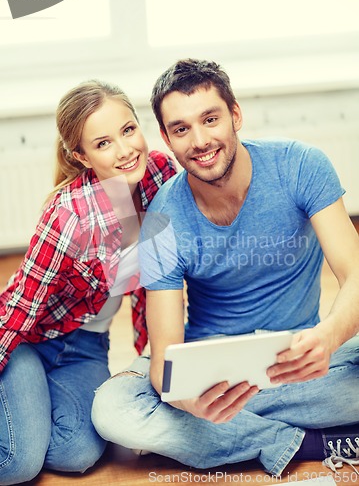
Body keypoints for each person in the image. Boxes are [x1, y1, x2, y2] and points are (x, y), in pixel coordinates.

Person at [91, 60, 359, 477]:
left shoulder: (301, 165)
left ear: (235, 115)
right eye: (181, 129)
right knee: (113, 408)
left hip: (300, 358)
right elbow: (165, 359)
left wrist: (329, 337)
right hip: (210, 371)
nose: (200, 141)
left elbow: (355, 273)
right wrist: (185, 400)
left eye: (210, 119)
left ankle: (227, 433)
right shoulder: (163, 216)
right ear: (166, 138)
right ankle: (311, 442)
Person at [0, 80, 176, 485]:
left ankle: (28, 405)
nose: (125, 150)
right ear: (80, 156)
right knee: (18, 463)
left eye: (128, 130)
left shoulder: (161, 175)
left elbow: (162, 280)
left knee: (76, 453)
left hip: (87, 347)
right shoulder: (69, 214)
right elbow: (19, 310)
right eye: (103, 143)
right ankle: (21, 398)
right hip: (28, 340)